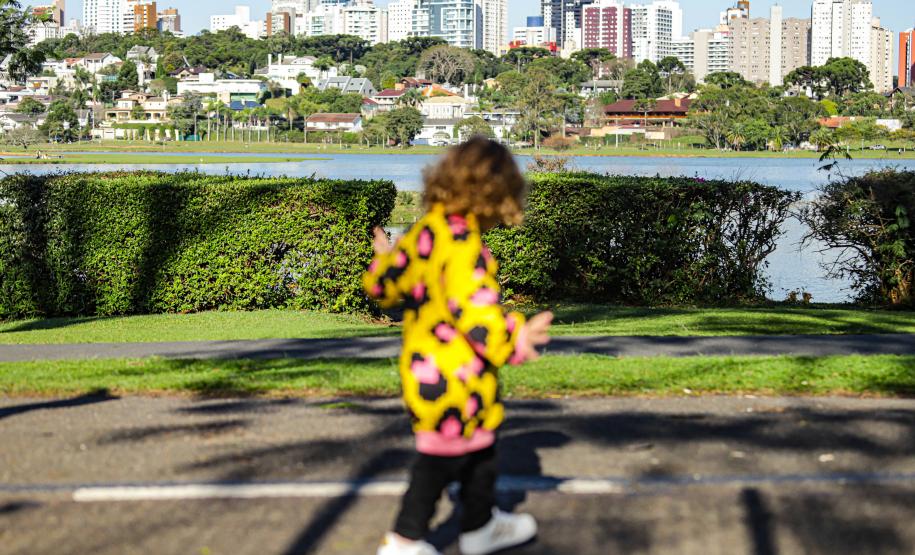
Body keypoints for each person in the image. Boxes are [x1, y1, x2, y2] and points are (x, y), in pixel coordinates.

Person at [365, 137, 553, 555]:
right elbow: (477, 315)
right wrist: (516, 339)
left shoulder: (426, 230)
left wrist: (385, 257)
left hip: (422, 371)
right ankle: (404, 540)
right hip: (458, 377)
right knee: (440, 462)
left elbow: (382, 286)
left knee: (478, 451)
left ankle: (479, 527)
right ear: (498, 193)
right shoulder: (466, 246)